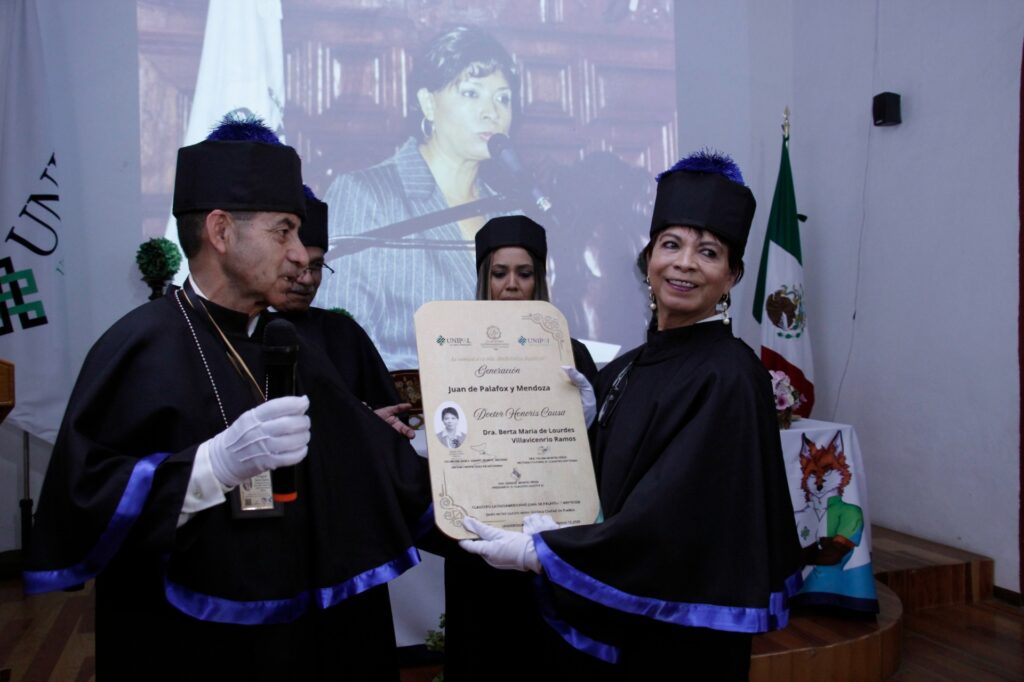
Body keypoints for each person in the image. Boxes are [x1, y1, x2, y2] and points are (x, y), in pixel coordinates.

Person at [24, 138, 431, 680]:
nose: (299, 253)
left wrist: (487, 486)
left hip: (306, 637)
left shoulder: (294, 344)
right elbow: (86, 497)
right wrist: (209, 469)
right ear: (220, 231)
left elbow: (384, 470)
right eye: (283, 231)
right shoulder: (140, 346)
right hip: (190, 643)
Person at [459, 151, 802, 680]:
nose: (684, 263)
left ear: (732, 276)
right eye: (671, 244)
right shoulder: (627, 366)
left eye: (708, 252)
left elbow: (673, 514)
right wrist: (582, 428)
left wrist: (546, 553)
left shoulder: (730, 376)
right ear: (649, 259)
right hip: (621, 620)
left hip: (678, 639)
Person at [316, 25, 519, 370]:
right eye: (471, 93)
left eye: (503, 98)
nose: (492, 112)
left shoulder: (511, 215)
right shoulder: (366, 196)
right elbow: (339, 346)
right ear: (428, 103)